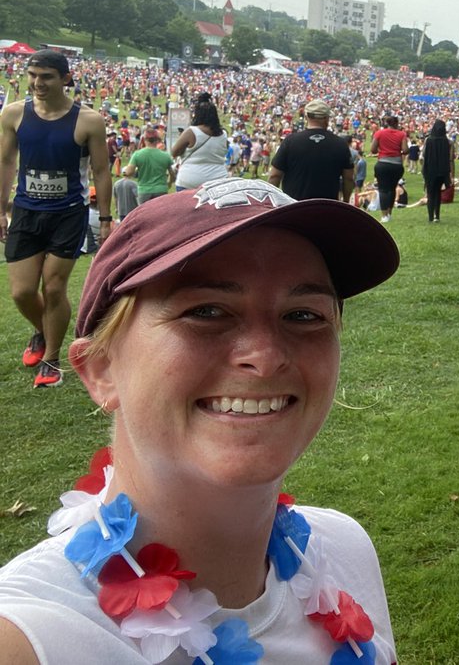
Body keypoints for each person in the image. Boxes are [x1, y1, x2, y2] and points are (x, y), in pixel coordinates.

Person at [0, 176, 398, 663]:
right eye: (207, 311)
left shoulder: (344, 549)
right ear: (101, 370)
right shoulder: (33, 640)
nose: (266, 356)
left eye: (303, 315)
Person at [0, 50, 112, 389]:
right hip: (25, 211)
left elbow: (101, 170)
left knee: (53, 286)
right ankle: (42, 331)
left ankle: (51, 358)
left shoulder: (88, 120)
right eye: (32, 75)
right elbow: (5, 162)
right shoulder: (13, 114)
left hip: (68, 213)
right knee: (21, 291)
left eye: (46, 76)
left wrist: (105, 218)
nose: (37, 83)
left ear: (65, 79)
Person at [268, 100, 353, 202]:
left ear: (306, 117)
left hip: (294, 208)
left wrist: (273, 203)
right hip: (328, 208)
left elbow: (275, 175)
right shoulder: (340, 144)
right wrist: (346, 201)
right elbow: (348, 178)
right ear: (327, 118)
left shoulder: (290, 142)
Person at [171, 93, 230, 191]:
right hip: (218, 179)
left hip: (190, 179)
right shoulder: (223, 134)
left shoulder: (191, 132)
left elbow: (174, 152)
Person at [371, 115, 407, 223]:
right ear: (397, 123)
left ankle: (384, 215)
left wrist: (383, 150)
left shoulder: (379, 133)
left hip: (382, 163)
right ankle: (389, 213)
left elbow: (373, 149)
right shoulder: (402, 134)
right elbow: (405, 150)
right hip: (396, 165)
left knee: (383, 189)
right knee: (392, 189)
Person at [123, 130, 174, 206]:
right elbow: (172, 174)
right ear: (157, 140)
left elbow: (129, 172)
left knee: (144, 215)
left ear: (144, 139)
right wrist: (169, 182)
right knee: (160, 214)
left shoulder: (137, 154)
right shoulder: (165, 156)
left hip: (144, 190)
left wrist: (125, 171)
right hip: (161, 189)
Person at [421, 119, 452, 224]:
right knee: (438, 193)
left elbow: (424, 156)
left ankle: (430, 216)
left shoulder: (428, 140)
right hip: (442, 171)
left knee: (430, 193)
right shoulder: (446, 141)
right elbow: (449, 158)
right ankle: (437, 216)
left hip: (430, 170)